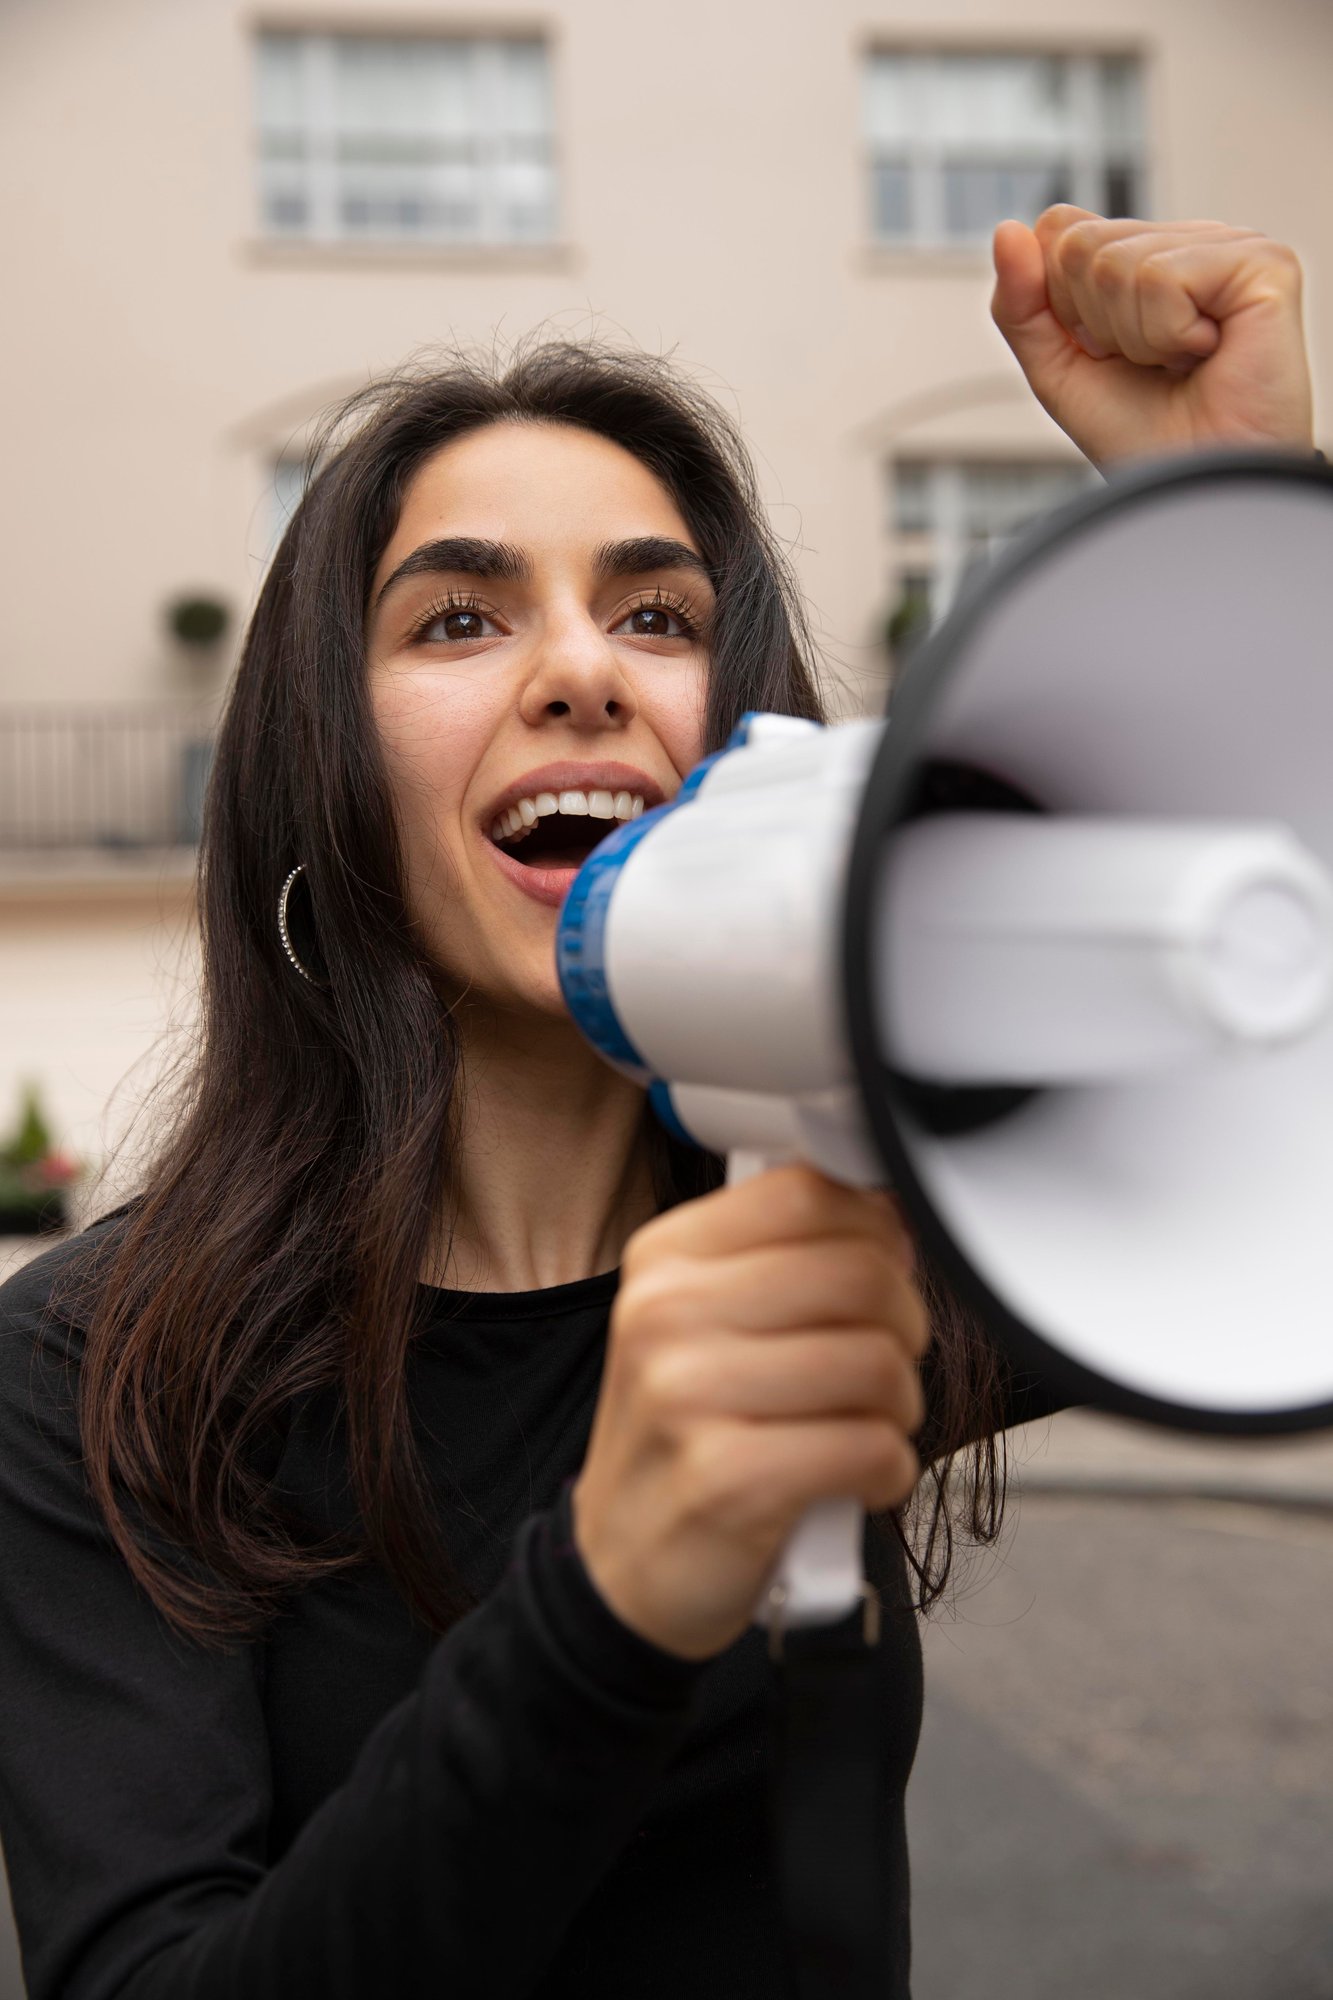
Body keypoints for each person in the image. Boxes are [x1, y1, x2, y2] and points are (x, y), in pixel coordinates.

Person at [0, 208, 1316, 2000]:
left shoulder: (858, 1237)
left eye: (656, 612)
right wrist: (605, 1601)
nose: (584, 668)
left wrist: (1235, 561)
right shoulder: (101, 1373)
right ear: (323, 765)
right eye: (458, 615)